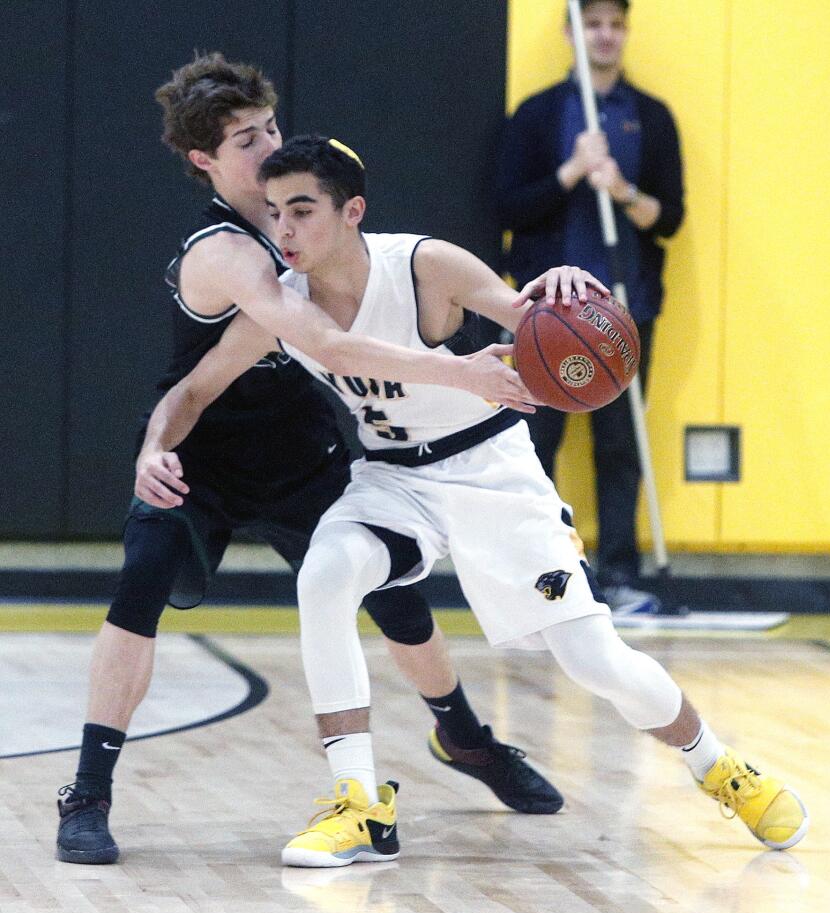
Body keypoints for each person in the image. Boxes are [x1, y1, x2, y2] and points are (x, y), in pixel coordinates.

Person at [151, 135, 807, 868]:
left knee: (593, 659)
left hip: (491, 473)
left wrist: (560, 281)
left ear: (352, 211)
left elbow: (530, 315)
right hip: (393, 480)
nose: (284, 231)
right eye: (273, 213)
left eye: (301, 210)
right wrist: (154, 447)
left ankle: (719, 767)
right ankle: (358, 801)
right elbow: (193, 389)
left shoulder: (425, 265)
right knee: (326, 575)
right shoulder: (284, 305)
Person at [54, 54, 562, 867]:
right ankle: (87, 793)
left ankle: (465, 739)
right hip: (203, 456)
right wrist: (152, 447)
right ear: (205, 162)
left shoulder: (306, 219)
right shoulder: (226, 253)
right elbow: (314, 343)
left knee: (397, 595)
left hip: (300, 450)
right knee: (140, 586)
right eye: (246, 140)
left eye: (271, 129)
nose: (268, 147)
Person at [497, 0, 685, 615]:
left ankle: (621, 577)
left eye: (615, 24)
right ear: (570, 33)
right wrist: (573, 172)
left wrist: (622, 190)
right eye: (592, 24)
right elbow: (510, 209)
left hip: (624, 308)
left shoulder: (650, 117)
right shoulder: (539, 115)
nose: (604, 36)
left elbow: (671, 219)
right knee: (533, 445)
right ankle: (537, 575)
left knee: (619, 444)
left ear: (625, 32)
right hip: (546, 313)